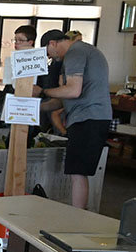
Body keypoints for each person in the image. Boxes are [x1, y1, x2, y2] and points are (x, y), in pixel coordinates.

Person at [33, 29, 112, 210]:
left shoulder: (75, 53)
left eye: (48, 53)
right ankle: (77, 216)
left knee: (78, 172)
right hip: (88, 117)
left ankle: (76, 218)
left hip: (88, 118)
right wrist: (34, 107)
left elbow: (72, 91)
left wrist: (42, 91)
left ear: (52, 44)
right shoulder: (83, 51)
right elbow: (64, 99)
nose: (50, 58)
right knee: (77, 171)